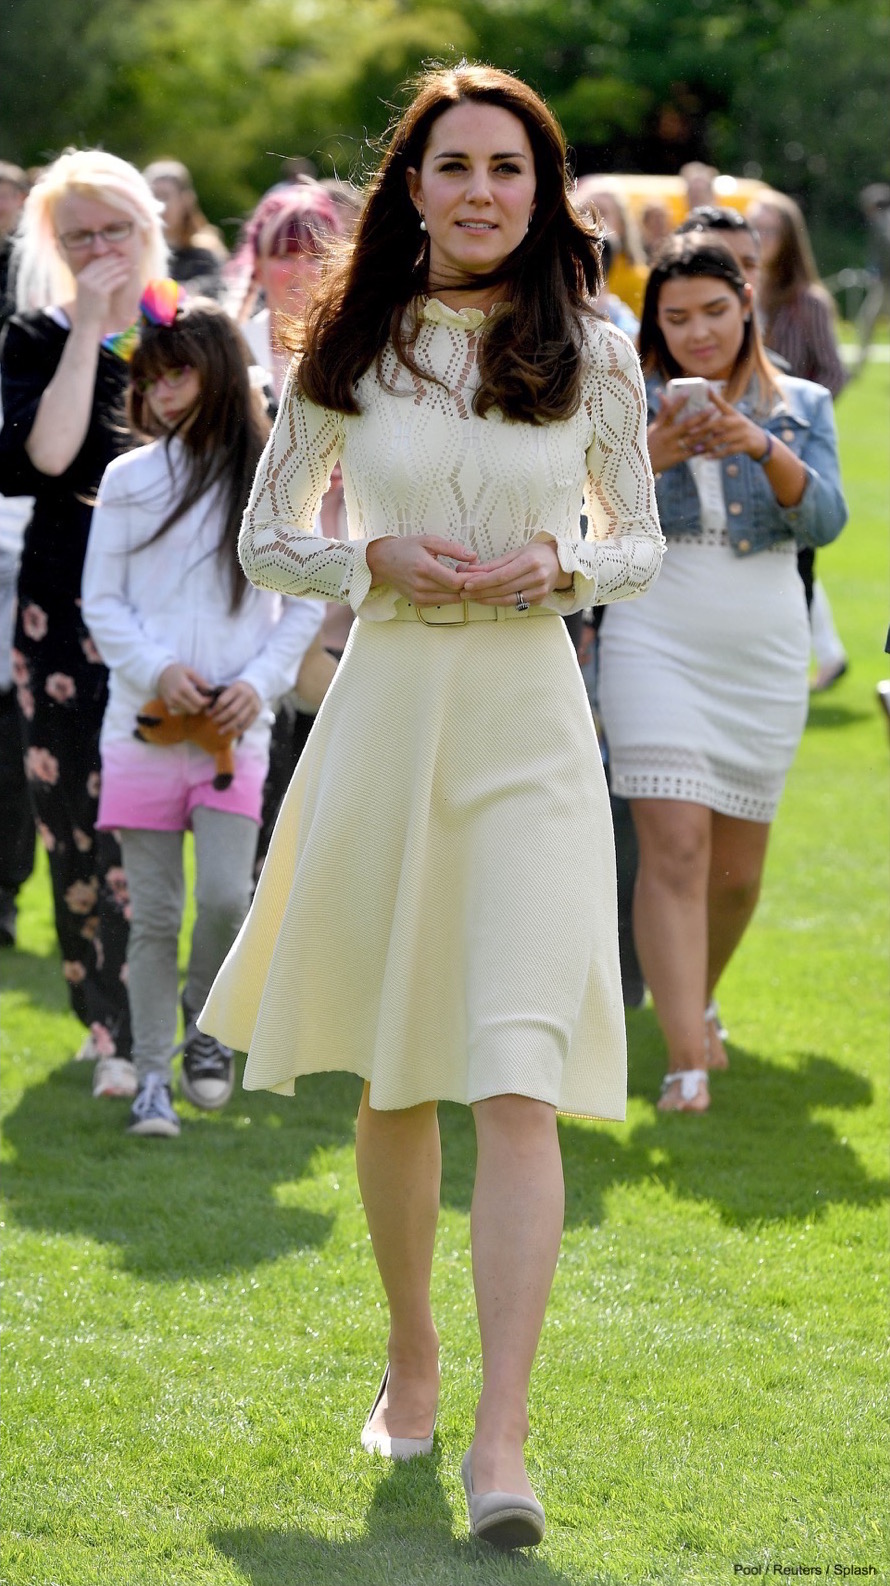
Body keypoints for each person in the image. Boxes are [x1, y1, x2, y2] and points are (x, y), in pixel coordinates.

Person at [199, 62, 663, 1548]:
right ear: (410, 187)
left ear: (542, 191)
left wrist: (565, 568)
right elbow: (273, 535)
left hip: (529, 720)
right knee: (396, 1074)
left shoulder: (592, 344)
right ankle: (411, 1360)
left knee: (514, 1071)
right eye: (453, 166)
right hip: (387, 715)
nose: (479, 192)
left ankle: (499, 1439)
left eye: (507, 170)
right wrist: (369, 567)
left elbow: (636, 543)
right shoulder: (348, 340)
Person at [596, 237, 847, 1113]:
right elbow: (584, 519)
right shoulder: (623, 406)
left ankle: (695, 997)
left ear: (746, 304)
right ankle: (684, 1060)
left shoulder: (801, 403)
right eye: (676, 317)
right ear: (654, 325)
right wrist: (654, 452)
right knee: (675, 847)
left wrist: (758, 442)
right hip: (653, 631)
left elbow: (825, 520)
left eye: (713, 310)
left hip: (762, 646)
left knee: (737, 873)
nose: (698, 332)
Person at [82, 284, 322, 1137]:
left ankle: (204, 1026)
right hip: (143, 729)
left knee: (224, 896)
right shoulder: (127, 478)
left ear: (218, 372)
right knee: (151, 913)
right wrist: (156, 670)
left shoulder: (268, 481)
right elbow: (101, 601)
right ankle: (152, 1076)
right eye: (150, 377)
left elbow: (301, 600)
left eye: (177, 373)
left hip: (235, 732)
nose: (160, 392)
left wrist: (260, 680)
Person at [0, 148, 167, 1095]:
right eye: (80, 237)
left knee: (171, 821)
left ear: (148, 225)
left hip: (179, 608)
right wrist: (88, 334)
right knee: (76, 821)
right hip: (62, 611)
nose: (102, 248)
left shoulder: (191, 332)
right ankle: (104, 1024)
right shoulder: (33, 334)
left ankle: (180, 1014)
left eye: (116, 229)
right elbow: (48, 454)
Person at [746, 188, 849, 691]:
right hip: (735, 446)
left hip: (792, 449)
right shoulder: (738, 294)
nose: (759, 240)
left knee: (799, 557)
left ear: (788, 240)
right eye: (753, 229)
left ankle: (796, 665)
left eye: (768, 231)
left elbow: (833, 371)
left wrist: (798, 416)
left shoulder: (807, 302)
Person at [142, 160, 227, 298]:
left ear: (185, 200)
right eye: (153, 196)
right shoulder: (137, 253)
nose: (158, 205)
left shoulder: (204, 255)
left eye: (164, 196)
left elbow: (216, 292)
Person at [574, 176, 649, 317]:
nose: (591, 221)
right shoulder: (561, 271)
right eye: (583, 211)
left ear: (622, 225)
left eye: (601, 212)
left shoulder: (639, 279)